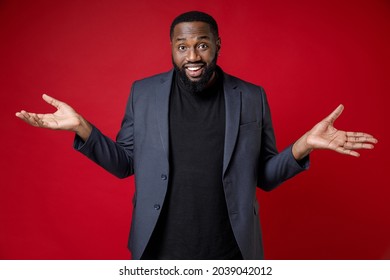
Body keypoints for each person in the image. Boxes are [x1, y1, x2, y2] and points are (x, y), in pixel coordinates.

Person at [15, 11, 377, 260]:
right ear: (172, 47)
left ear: (218, 45)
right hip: (159, 249)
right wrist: (83, 128)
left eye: (202, 45)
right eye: (182, 46)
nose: (193, 55)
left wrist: (302, 147)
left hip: (231, 250)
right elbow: (125, 164)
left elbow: (264, 177)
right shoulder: (143, 93)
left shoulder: (250, 96)